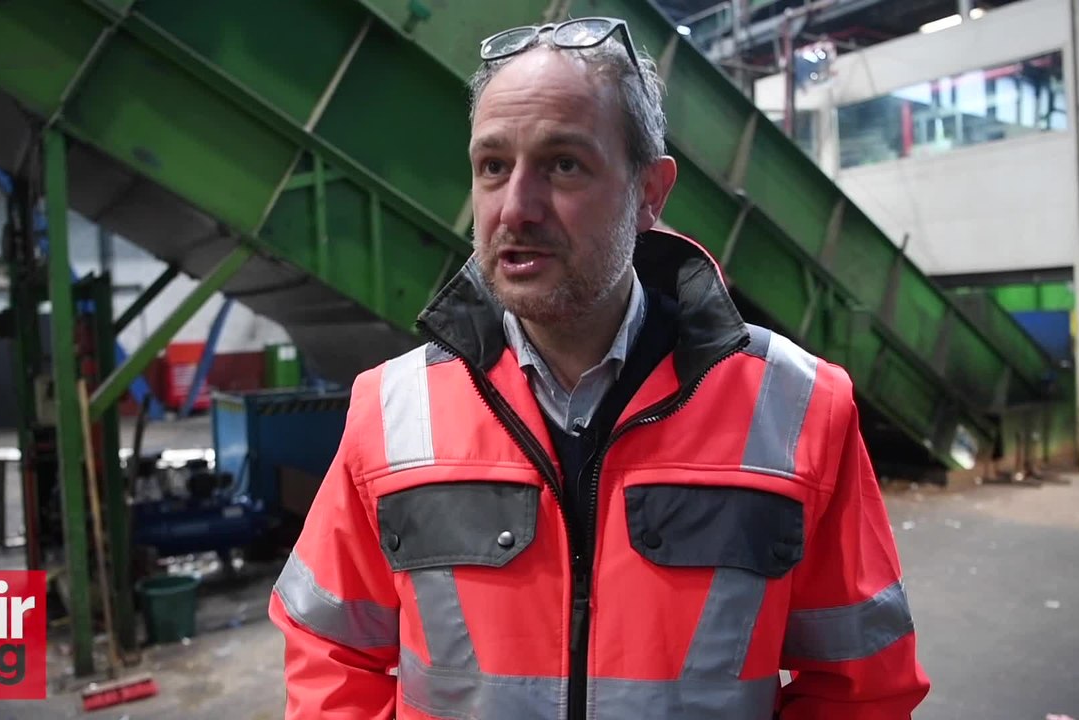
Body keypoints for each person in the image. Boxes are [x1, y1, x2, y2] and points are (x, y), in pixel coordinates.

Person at [270, 16, 929, 719]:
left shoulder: (799, 409)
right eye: (493, 166)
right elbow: (331, 654)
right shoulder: (391, 413)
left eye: (562, 164)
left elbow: (862, 689)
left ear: (650, 192)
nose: (514, 208)